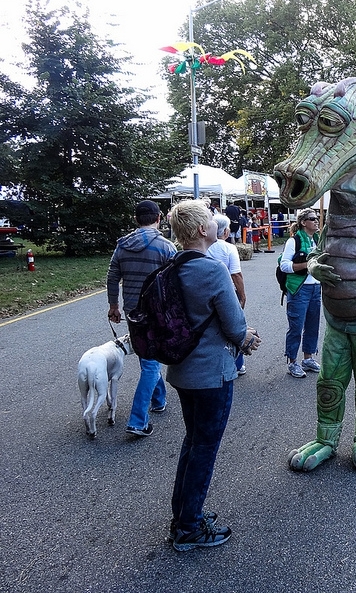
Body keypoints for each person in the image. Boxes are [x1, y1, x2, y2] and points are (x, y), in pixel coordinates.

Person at [166, 199, 261, 551]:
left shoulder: (172, 264)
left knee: (193, 443)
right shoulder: (212, 269)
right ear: (202, 230)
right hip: (211, 373)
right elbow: (235, 325)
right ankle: (188, 529)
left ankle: (184, 515)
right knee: (204, 448)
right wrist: (247, 338)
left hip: (182, 369)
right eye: (210, 221)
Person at [107, 200, 176, 438]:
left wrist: (113, 305)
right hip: (156, 312)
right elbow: (176, 280)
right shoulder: (166, 247)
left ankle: (158, 400)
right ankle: (138, 420)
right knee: (150, 362)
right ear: (158, 218)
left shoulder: (122, 246)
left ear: (136, 219)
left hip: (131, 310)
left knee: (148, 356)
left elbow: (112, 276)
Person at [280, 208, 322, 378]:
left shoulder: (319, 240)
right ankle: (292, 362)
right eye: (313, 219)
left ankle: (308, 358)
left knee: (313, 326)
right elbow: (284, 266)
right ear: (304, 222)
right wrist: (308, 265)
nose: (317, 221)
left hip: (316, 287)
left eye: (317, 218)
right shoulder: (294, 241)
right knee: (296, 327)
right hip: (299, 288)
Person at [207, 214, 248, 376]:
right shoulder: (229, 248)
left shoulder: (205, 246)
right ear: (225, 231)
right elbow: (236, 274)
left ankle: (212, 363)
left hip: (207, 293)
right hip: (228, 292)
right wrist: (242, 295)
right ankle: (238, 363)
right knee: (234, 325)